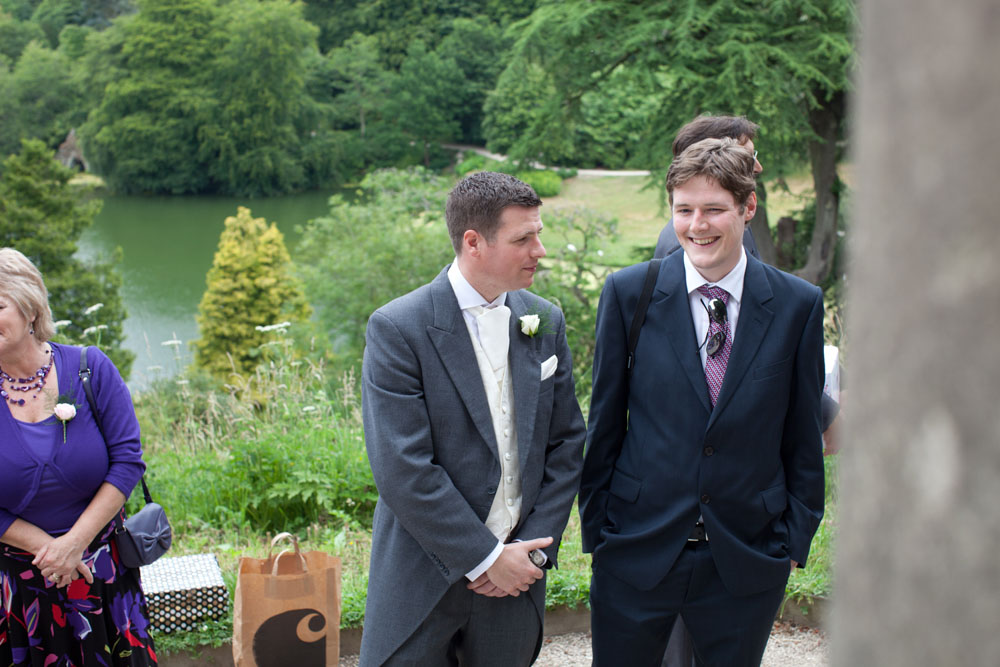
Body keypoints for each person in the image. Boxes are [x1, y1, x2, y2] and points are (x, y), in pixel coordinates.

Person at [581, 139, 826, 666]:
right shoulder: (629, 293)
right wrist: (600, 536)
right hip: (636, 549)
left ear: (748, 208)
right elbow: (604, 423)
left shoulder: (796, 305)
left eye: (714, 209)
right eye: (683, 210)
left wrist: (790, 542)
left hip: (747, 555)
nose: (698, 226)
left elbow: (802, 437)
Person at [359, 171, 586, 666]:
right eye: (523, 238)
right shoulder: (398, 327)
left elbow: (568, 444)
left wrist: (531, 555)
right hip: (423, 578)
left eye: (538, 234)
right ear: (473, 242)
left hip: (517, 583)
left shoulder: (544, 320)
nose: (539, 250)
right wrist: (484, 558)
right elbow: (403, 468)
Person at [652, 114, 841, 666]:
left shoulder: (736, 230)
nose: (756, 165)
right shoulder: (686, 246)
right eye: (744, 155)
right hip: (698, 516)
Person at [0, 247, 157, 666]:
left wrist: (74, 543)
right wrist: (50, 551)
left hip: (103, 577)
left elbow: (128, 463)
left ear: (30, 308)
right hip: (18, 590)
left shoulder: (90, 367)